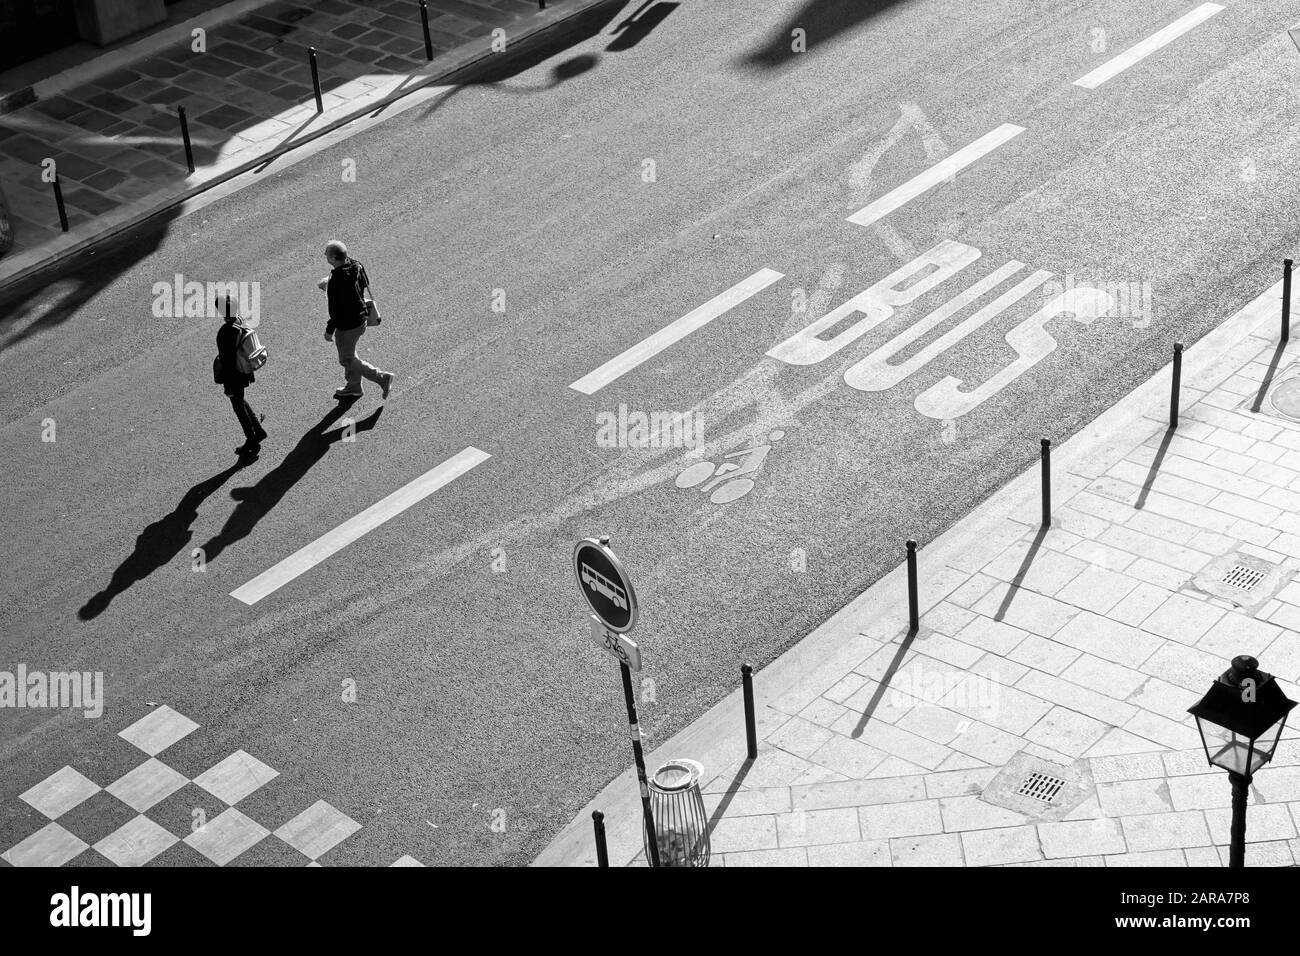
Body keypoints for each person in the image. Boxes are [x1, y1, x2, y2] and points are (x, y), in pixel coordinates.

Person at [320, 240, 394, 400]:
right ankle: (354, 386)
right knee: (350, 354)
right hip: (361, 319)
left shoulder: (336, 281)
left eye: (326, 253)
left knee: (346, 358)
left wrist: (328, 331)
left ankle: (382, 378)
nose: (325, 255)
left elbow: (335, 312)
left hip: (347, 325)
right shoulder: (356, 264)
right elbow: (364, 282)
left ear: (333, 258)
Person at [215, 295, 267, 456]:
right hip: (244, 369)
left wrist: (228, 385)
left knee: (238, 406)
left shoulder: (226, 332)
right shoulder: (240, 321)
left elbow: (228, 361)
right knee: (240, 400)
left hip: (234, 375)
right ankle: (257, 431)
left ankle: (251, 439)